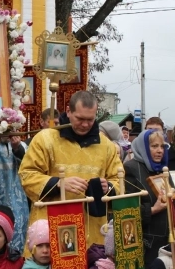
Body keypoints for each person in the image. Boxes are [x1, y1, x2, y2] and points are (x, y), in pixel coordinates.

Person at [19, 91, 121, 256]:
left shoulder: (107, 146)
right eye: (80, 119)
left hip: (93, 231)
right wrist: (59, 183)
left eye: (90, 119)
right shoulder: (45, 139)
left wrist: (108, 187)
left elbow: (119, 180)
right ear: (68, 111)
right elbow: (27, 175)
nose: (86, 125)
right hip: (51, 227)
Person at [124, 129, 173, 266]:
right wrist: (152, 209)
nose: (160, 151)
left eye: (162, 146)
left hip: (168, 242)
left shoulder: (163, 170)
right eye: (154, 146)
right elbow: (126, 211)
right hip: (147, 244)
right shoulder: (131, 169)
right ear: (143, 147)